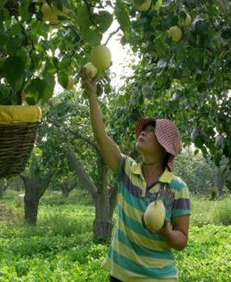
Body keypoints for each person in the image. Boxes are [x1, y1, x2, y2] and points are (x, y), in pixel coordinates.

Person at [80, 65, 192, 282]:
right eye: (145, 129)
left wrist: (166, 232)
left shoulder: (177, 188)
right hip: (120, 275)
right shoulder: (126, 170)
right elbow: (101, 136)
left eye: (152, 132)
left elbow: (182, 240)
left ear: (164, 147)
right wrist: (92, 95)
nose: (144, 132)